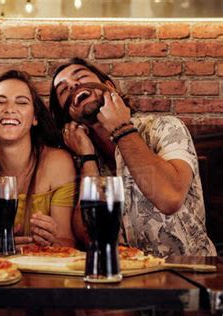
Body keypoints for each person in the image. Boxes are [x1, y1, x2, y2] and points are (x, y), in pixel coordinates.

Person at [49, 57, 216, 257]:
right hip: (123, 275)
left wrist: (122, 129)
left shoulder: (165, 128)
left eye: (81, 76)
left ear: (109, 86)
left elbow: (170, 198)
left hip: (188, 270)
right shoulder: (77, 160)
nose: (74, 85)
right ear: (68, 115)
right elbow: (90, 237)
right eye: (63, 89)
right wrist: (88, 158)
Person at [0, 70, 76, 254]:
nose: (10, 109)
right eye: (0, 102)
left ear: (35, 117)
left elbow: (69, 243)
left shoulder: (58, 163)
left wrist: (53, 240)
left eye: (22, 102)